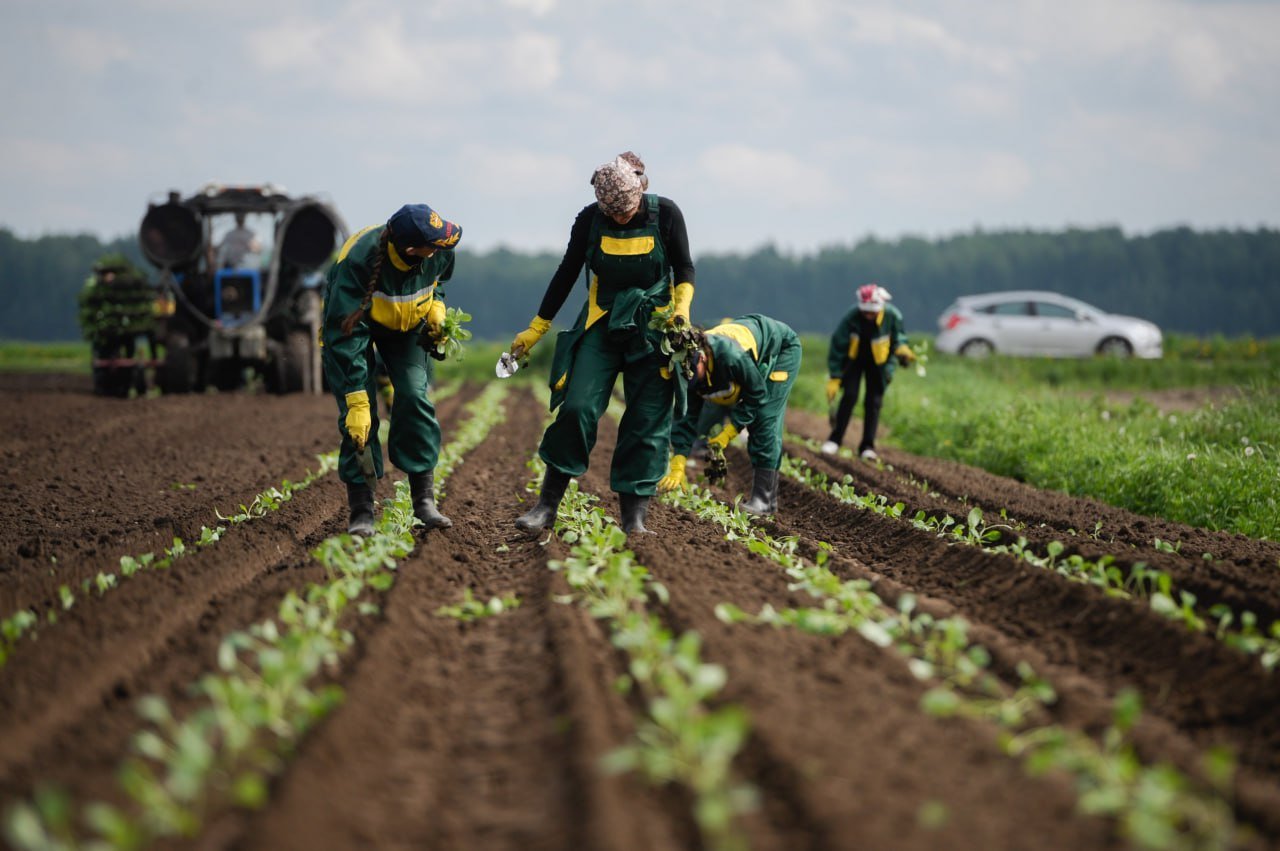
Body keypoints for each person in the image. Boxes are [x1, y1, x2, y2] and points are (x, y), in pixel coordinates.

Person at [510, 151, 696, 535]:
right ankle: (546, 506)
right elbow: (567, 272)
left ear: (640, 191)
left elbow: (685, 267)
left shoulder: (667, 215)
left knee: (646, 422)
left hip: (655, 328)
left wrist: (682, 311)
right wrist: (537, 327)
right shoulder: (589, 220)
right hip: (602, 321)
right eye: (613, 215)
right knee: (577, 408)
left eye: (626, 213)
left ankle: (634, 520)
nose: (620, 219)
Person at [321, 203, 463, 536]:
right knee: (360, 419)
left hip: (408, 327)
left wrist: (438, 311)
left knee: (415, 398)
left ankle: (424, 500)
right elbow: (345, 337)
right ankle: (362, 509)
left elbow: (436, 284)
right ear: (412, 249)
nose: (444, 244)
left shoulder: (439, 251)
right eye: (435, 242)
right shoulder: (357, 263)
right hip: (352, 331)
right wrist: (356, 401)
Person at [657, 314, 802, 515]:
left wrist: (729, 432)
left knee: (764, 418)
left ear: (703, 358)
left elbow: (756, 394)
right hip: (750, 350)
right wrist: (679, 460)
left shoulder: (731, 357)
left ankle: (764, 500)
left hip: (781, 348)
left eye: (693, 374)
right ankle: (765, 501)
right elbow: (686, 415)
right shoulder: (688, 367)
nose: (690, 379)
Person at [822, 283, 916, 460]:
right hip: (854, 360)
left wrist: (902, 350)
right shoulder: (852, 316)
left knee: (873, 402)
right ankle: (834, 440)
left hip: (879, 363)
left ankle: (867, 446)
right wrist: (835, 375)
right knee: (849, 395)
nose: (868, 315)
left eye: (872, 312)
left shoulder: (892, 316)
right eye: (865, 312)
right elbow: (838, 344)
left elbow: (899, 338)